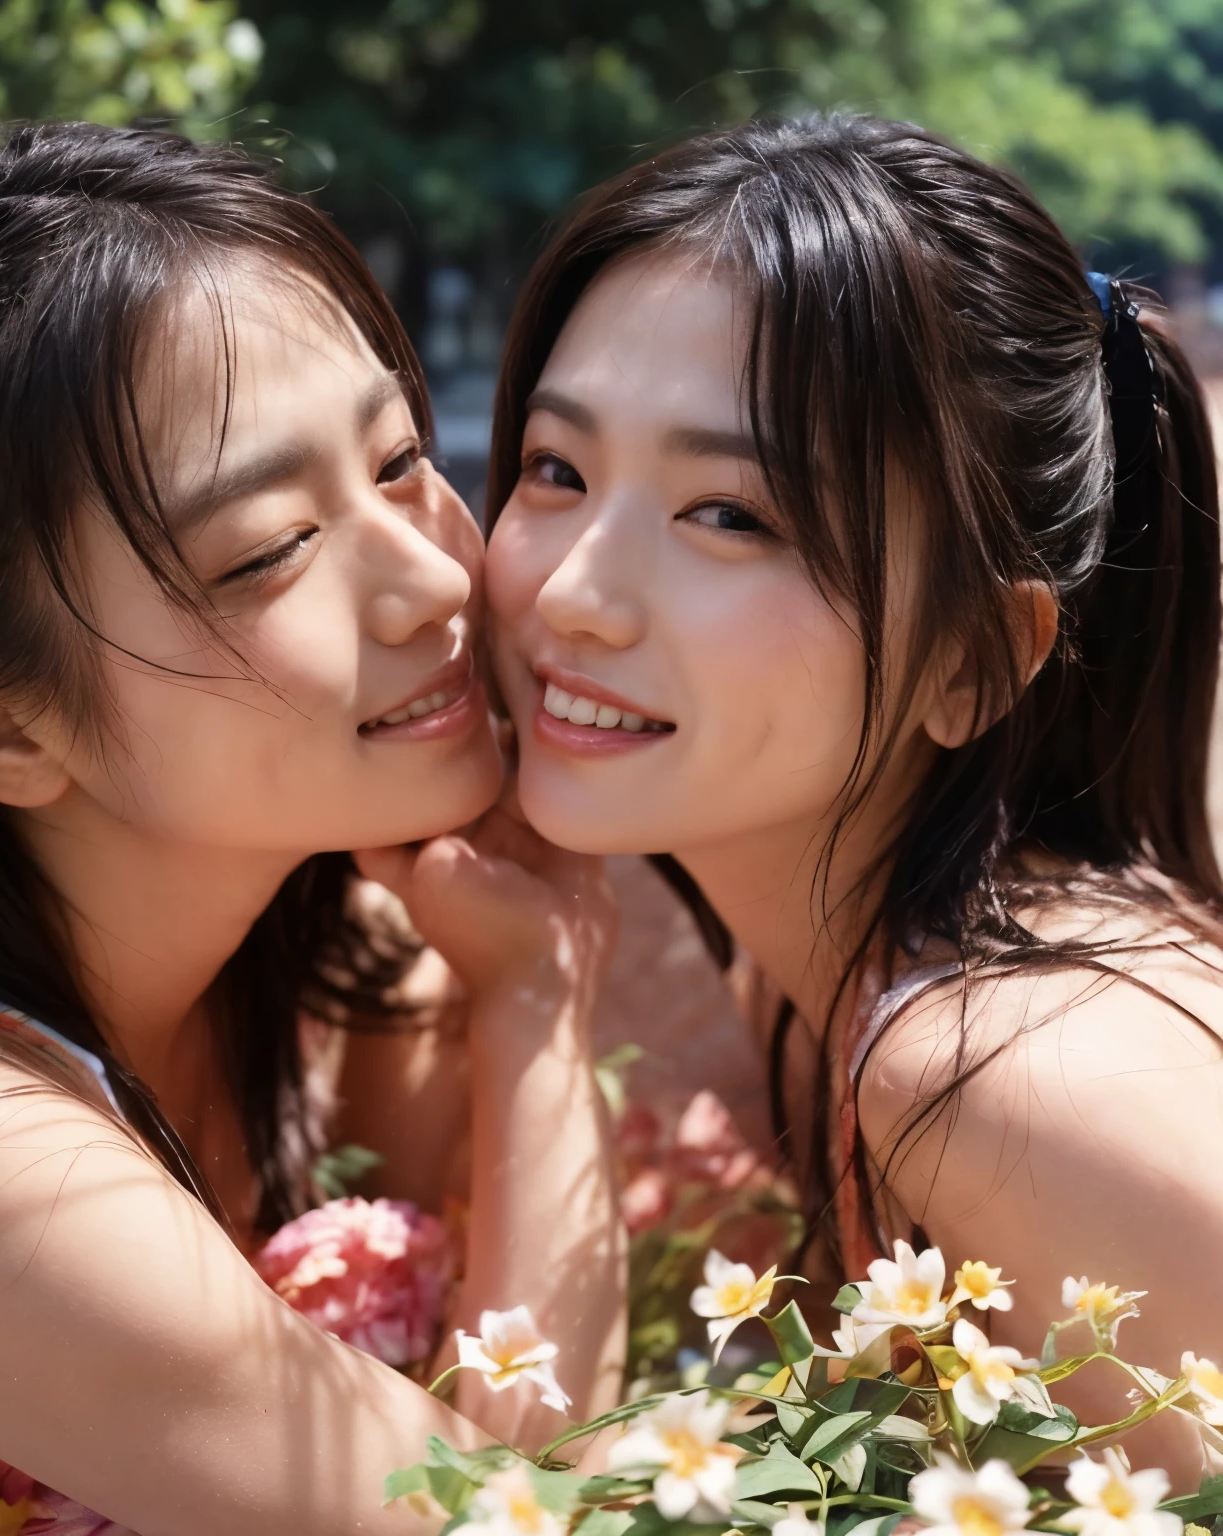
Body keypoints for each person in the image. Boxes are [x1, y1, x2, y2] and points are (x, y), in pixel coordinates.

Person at [0, 122, 624, 1533]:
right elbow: (529, 1522)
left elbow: (525, 1452)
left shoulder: (338, 965)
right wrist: (544, 1004)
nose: (432, 573)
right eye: (267, 551)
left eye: (396, 460)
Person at [484, 113, 1223, 1479]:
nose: (573, 595)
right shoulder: (832, 963)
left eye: (730, 515)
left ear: (973, 657)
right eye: (555, 470)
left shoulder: (1003, 1079)